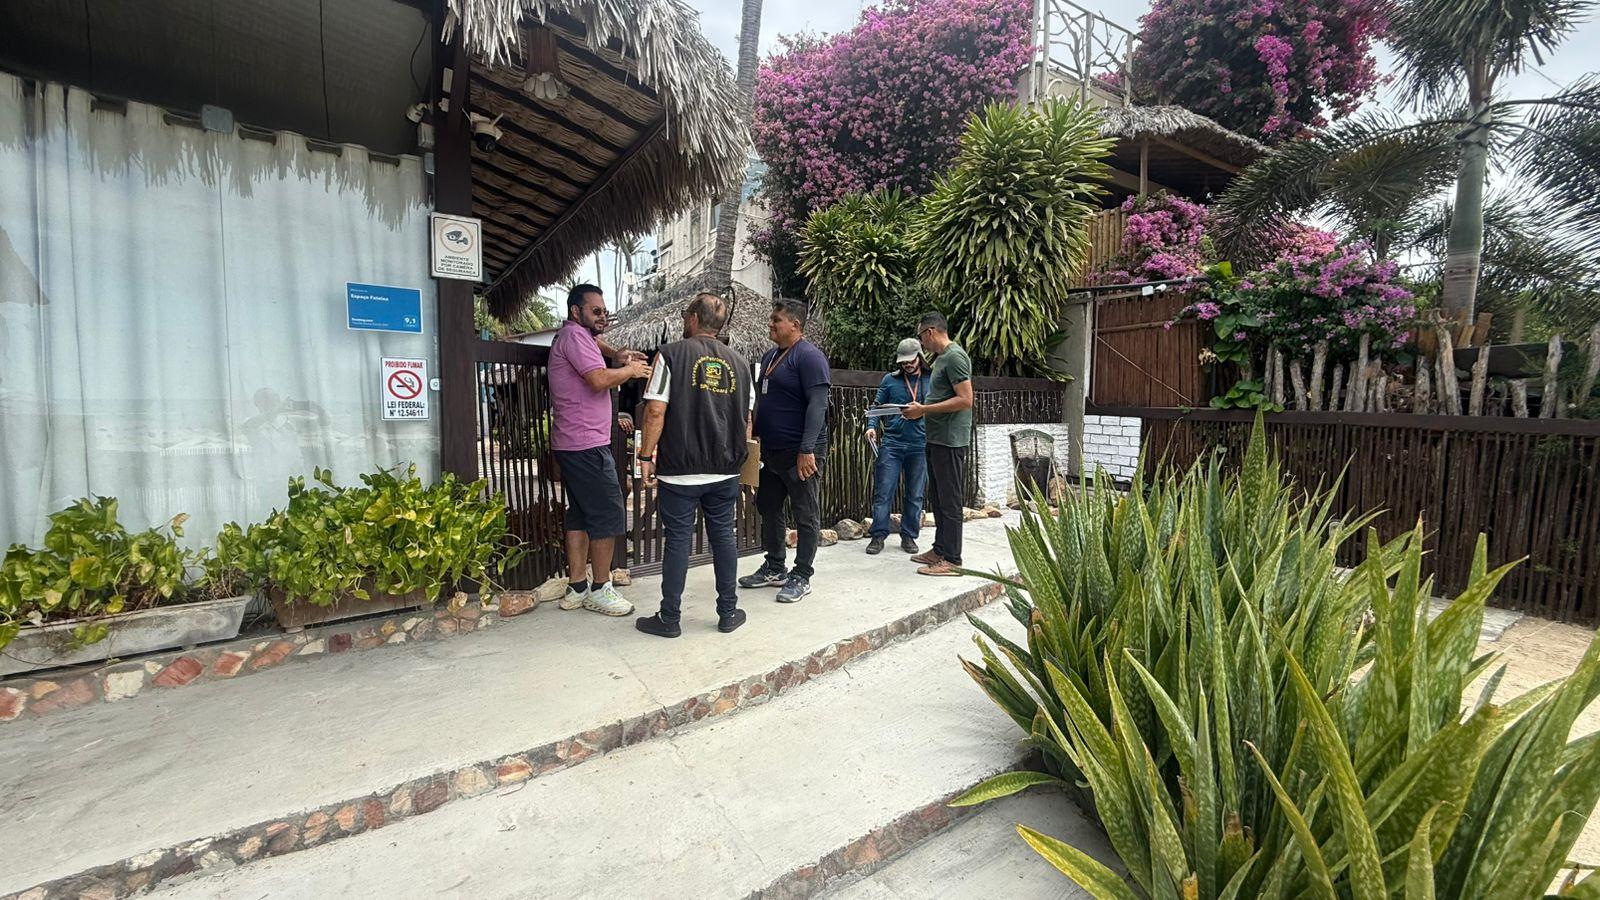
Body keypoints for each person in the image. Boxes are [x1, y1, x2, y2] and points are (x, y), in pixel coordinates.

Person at [633, 293, 753, 638]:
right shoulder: (741, 365)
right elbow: (746, 421)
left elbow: (655, 411)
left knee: (678, 541)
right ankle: (728, 612)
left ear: (694, 319)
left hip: (680, 469)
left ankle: (669, 618)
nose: (685, 319)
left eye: (687, 314)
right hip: (725, 469)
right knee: (724, 538)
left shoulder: (670, 355)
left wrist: (645, 456)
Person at [548, 283, 651, 616]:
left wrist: (616, 355)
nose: (602, 316)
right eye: (595, 311)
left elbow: (598, 348)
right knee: (609, 512)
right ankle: (600, 588)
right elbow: (596, 380)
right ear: (575, 311)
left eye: (605, 311)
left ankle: (577, 586)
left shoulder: (576, 336)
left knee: (579, 514)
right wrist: (630, 370)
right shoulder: (576, 337)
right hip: (586, 443)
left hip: (573, 442)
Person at [739, 299, 830, 604]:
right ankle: (775, 566)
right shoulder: (769, 357)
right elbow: (762, 400)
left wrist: (807, 450)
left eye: (776, 320)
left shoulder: (809, 357)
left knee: (805, 513)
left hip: (801, 452)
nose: (771, 324)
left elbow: (818, 405)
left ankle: (802, 575)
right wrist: (753, 433)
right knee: (768, 505)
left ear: (795, 324)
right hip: (772, 452)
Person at [902, 311, 973, 576]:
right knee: (939, 497)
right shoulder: (942, 359)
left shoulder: (955, 357)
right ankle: (940, 549)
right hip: (936, 438)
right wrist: (923, 409)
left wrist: (924, 409)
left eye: (921, 337)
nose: (921, 343)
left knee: (950, 499)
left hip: (950, 440)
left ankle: (952, 559)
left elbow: (966, 399)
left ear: (930, 332)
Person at [864, 338, 928, 556]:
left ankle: (909, 536)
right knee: (883, 492)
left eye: (910, 360)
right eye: (903, 361)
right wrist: (871, 426)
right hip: (891, 444)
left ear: (920, 356)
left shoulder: (931, 379)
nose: (907, 365)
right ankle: (878, 536)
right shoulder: (889, 380)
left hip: (920, 445)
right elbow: (876, 407)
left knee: (915, 494)